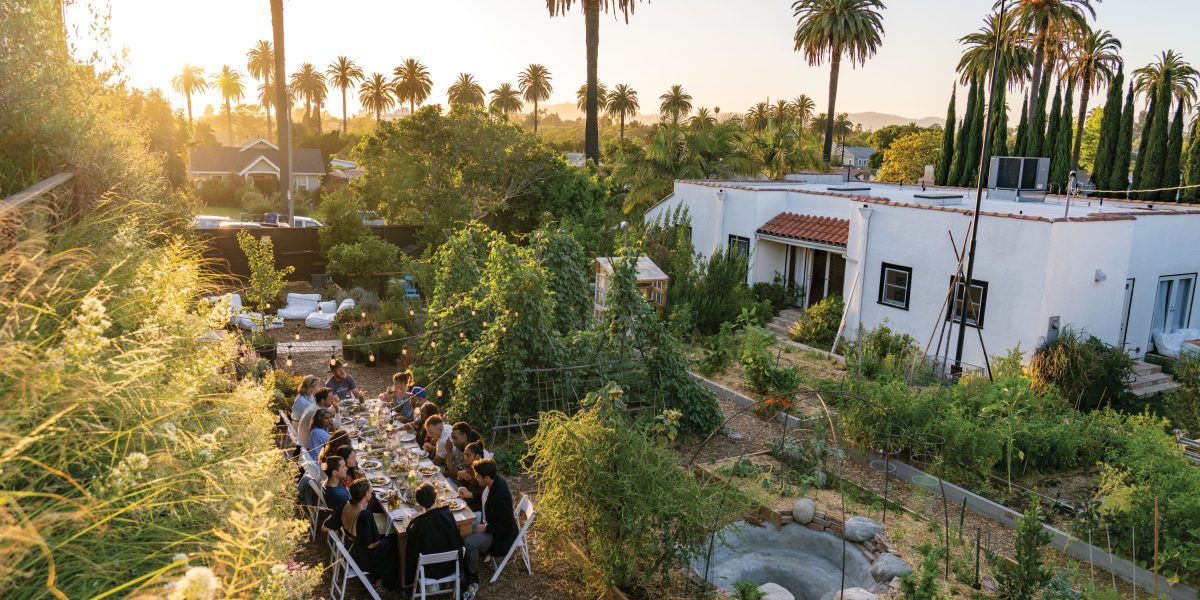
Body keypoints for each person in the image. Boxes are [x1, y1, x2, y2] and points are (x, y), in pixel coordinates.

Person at [463, 458, 516, 594]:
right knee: (464, 523)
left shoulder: (500, 495)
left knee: (469, 542)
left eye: (478, 476)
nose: (476, 478)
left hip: (499, 537)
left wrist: (486, 528)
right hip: (487, 523)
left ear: (486, 477)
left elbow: (506, 524)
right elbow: (484, 495)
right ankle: (463, 562)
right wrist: (470, 495)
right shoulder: (492, 483)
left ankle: (473, 578)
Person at [341, 478, 399, 590]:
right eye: (370, 490)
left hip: (350, 549)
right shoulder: (365, 515)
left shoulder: (347, 505)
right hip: (361, 557)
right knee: (393, 540)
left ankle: (381, 578)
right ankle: (388, 580)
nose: (372, 492)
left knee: (387, 537)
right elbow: (371, 545)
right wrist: (381, 539)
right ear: (365, 494)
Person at [404, 483, 465, 586]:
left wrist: (408, 578)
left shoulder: (417, 524)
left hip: (426, 571)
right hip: (449, 566)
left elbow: (411, 553)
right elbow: (456, 541)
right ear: (435, 497)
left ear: (418, 502)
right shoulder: (447, 515)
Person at [455, 442, 487, 512]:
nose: (465, 457)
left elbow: (483, 493)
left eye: (468, 455)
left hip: (478, 507)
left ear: (477, 456)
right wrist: (459, 476)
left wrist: (470, 494)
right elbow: (467, 485)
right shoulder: (468, 467)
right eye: (464, 455)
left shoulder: (482, 472)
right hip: (467, 500)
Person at [322, 456, 352, 520]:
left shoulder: (328, 482)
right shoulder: (339, 496)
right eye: (343, 467)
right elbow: (351, 515)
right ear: (334, 473)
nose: (346, 468)